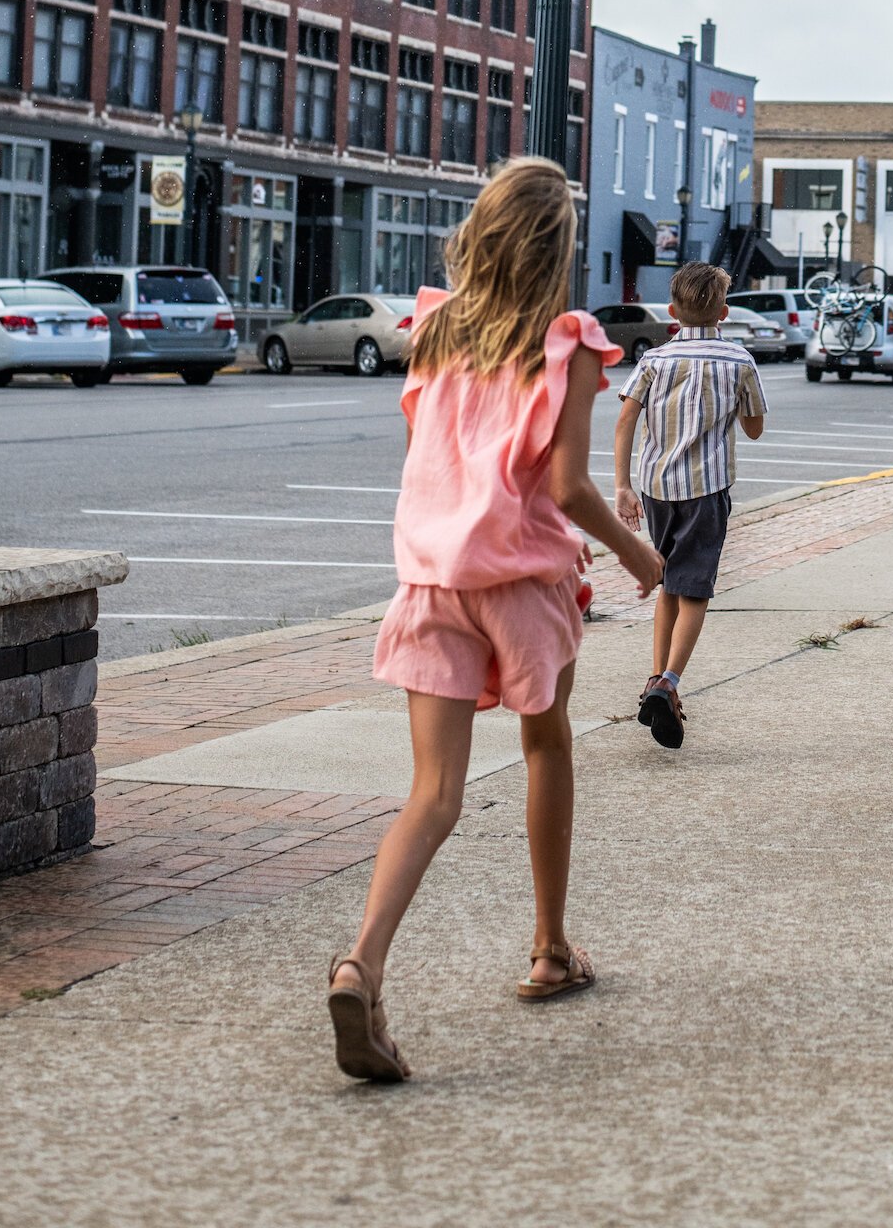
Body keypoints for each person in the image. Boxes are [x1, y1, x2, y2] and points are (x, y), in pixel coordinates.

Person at [326, 159, 664, 1082]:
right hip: (520, 586)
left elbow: (428, 461)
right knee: (546, 745)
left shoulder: (431, 331)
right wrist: (637, 555)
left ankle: (363, 963)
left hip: (431, 583)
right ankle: (550, 950)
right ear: (557, 252)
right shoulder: (567, 345)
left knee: (432, 793)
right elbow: (565, 486)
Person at [614, 261, 767, 747]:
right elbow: (754, 426)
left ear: (671, 311)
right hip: (707, 488)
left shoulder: (654, 361)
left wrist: (622, 486)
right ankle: (671, 681)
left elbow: (625, 425)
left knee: (668, 583)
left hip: (656, 486)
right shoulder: (739, 360)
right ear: (724, 311)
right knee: (695, 589)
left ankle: (654, 676)